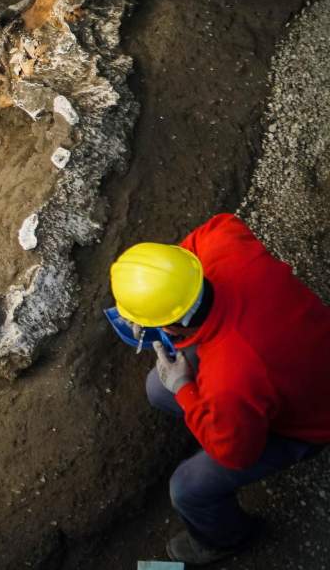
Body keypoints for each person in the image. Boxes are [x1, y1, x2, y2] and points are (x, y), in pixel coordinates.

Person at [110, 213, 330, 565]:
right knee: (157, 388)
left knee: (187, 489)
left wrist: (184, 386)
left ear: (167, 324)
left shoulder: (231, 377)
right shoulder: (222, 243)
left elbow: (235, 455)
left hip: (311, 421)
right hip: (305, 352)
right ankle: (214, 424)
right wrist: (164, 290)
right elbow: (210, 232)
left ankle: (225, 540)